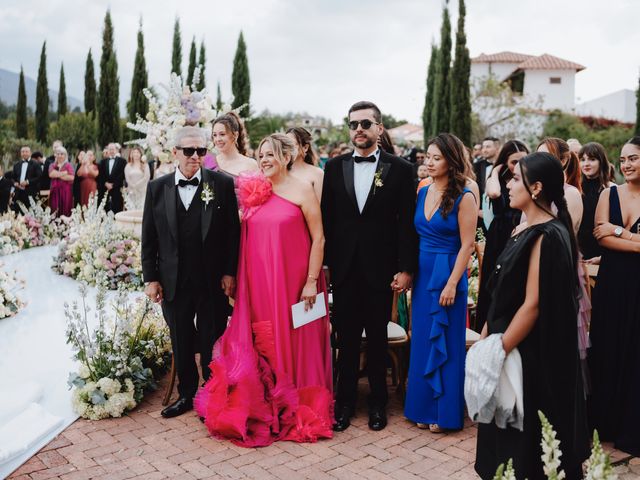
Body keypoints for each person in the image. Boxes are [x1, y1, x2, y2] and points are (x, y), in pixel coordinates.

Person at [195, 133, 333, 446]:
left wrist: (312, 281)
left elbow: (319, 239)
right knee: (264, 339)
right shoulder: (255, 188)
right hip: (258, 282)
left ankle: (294, 402)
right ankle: (268, 401)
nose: (265, 160)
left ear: (287, 156)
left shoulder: (302, 190)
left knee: (296, 341)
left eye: (271, 154)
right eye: (261, 155)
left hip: (296, 283)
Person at [474, 151, 589, 479]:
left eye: (515, 179)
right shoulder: (520, 230)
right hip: (505, 344)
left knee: (523, 445)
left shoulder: (548, 236)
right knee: (501, 437)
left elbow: (533, 305)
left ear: (536, 187)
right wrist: (485, 335)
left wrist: (496, 351)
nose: (508, 184)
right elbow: (499, 296)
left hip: (527, 356)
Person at [321, 101, 418, 432]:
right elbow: (327, 221)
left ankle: (378, 403)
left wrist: (406, 268)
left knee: (377, 338)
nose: (358, 129)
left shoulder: (401, 170)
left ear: (379, 128)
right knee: (346, 339)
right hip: (345, 269)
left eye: (365, 123)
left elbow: (407, 223)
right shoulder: (333, 168)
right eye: (353, 125)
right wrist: (326, 265)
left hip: (382, 269)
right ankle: (345, 402)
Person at [141, 126, 240, 419]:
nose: (195, 157)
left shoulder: (220, 184)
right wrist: (151, 278)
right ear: (175, 153)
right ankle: (186, 394)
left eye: (201, 151)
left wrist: (229, 272)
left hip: (212, 281)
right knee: (181, 338)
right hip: (173, 281)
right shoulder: (157, 188)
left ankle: (211, 394)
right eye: (189, 151)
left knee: (212, 339)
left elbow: (232, 235)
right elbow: (149, 237)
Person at [404, 133, 476, 433]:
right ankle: (421, 407)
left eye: (436, 158)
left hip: (448, 273)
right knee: (422, 339)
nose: (429, 162)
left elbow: (467, 245)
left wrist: (452, 283)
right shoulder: (422, 191)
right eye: (427, 157)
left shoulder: (466, 195)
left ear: (451, 160)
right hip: (423, 276)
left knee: (445, 340)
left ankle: (443, 412)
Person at [588, 136, 640, 456]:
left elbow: (610, 232)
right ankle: (602, 422)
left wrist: (617, 230)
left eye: (633, 158)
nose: (626, 165)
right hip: (612, 284)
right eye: (622, 160)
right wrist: (633, 238)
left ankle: (630, 427)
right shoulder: (610, 194)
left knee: (635, 352)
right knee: (608, 347)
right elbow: (600, 236)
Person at [475, 140, 529, 331]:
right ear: (505, 161)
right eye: (514, 161)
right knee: (493, 283)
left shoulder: (527, 178)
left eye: (523, 160)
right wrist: (496, 171)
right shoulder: (495, 178)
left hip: (521, 229)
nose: (519, 165)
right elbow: (495, 193)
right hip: (499, 234)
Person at [578, 142, 614, 262]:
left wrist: (602, 257)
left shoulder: (612, 189)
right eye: (582, 159)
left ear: (601, 161)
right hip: (578, 254)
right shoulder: (574, 190)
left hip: (603, 254)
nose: (586, 164)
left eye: (592, 159)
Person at [210, 111, 258, 177]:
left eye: (222, 134)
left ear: (236, 135)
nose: (218, 139)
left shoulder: (250, 164)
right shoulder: (210, 162)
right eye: (214, 135)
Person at [286, 127, 324, 201]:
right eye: (285, 144)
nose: (287, 148)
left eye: (291, 144)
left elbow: (320, 206)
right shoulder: (280, 171)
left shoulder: (317, 173)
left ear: (305, 147)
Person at [474, 136, 501, 231]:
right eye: (483, 147)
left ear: (497, 148)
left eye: (488, 147)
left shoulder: (504, 166)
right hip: (480, 214)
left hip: (500, 214)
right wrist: (477, 210)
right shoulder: (476, 167)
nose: (484, 150)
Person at [98, 143, 126, 213]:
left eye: (113, 149)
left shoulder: (122, 161)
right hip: (105, 190)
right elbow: (101, 175)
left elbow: (122, 175)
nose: (111, 151)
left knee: (117, 210)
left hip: (117, 190)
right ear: (107, 150)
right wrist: (105, 183)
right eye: (110, 149)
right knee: (105, 210)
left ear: (116, 150)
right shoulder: (102, 162)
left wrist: (113, 185)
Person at [12, 145, 41, 211]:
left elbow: (39, 177)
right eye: (23, 151)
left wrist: (28, 182)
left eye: (26, 151)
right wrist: (15, 183)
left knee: (31, 212)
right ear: (20, 153)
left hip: (31, 193)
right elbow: (13, 178)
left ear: (30, 153)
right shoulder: (16, 165)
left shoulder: (36, 164)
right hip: (18, 193)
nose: (24, 153)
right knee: (18, 211)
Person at [48, 147, 75, 216]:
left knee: (65, 209)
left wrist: (57, 174)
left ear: (65, 155)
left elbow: (71, 177)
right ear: (55, 155)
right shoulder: (52, 165)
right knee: (54, 209)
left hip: (66, 192)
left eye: (62, 154)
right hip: (55, 192)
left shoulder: (68, 165)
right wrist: (64, 173)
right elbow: (51, 174)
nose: (59, 156)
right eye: (58, 154)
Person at [124, 146, 151, 210]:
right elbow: (127, 178)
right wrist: (133, 186)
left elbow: (147, 177)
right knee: (131, 209)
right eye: (134, 152)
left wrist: (137, 185)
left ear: (140, 154)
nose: (136, 154)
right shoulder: (128, 166)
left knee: (141, 209)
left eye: (138, 152)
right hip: (132, 191)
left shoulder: (145, 165)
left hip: (142, 191)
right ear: (132, 154)